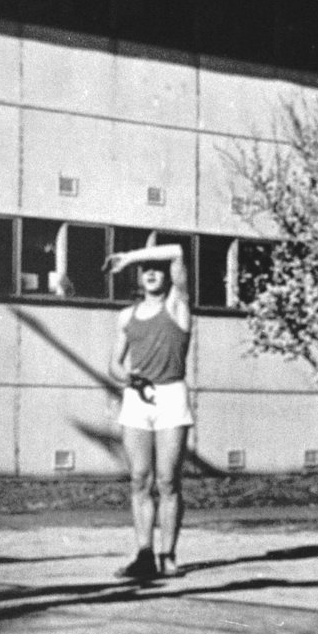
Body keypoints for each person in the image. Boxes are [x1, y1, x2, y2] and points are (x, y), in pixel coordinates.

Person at [105, 243, 193, 581]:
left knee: (168, 480)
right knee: (140, 478)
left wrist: (129, 256)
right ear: (139, 280)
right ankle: (143, 554)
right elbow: (114, 363)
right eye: (146, 270)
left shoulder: (178, 305)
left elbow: (178, 252)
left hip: (171, 394)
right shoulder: (127, 316)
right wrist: (126, 376)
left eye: (156, 268)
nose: (152, 273)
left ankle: (167, 555)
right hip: (137, 398)